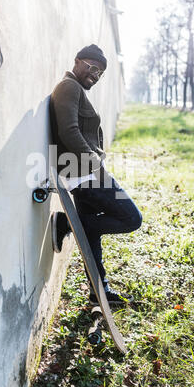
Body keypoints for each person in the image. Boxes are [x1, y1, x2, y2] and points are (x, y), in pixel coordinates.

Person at [49, 44, 142, 305]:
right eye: (92, 67)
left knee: (92, 236)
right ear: (77, 61)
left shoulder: (75, 89)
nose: (95, 74)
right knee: (131, 218)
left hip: (82, 173)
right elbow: (69, 131)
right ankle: (67, 223)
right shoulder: (69, 87)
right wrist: (94, 164)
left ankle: (98, 291)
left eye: (100, 72)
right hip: (85, 173)